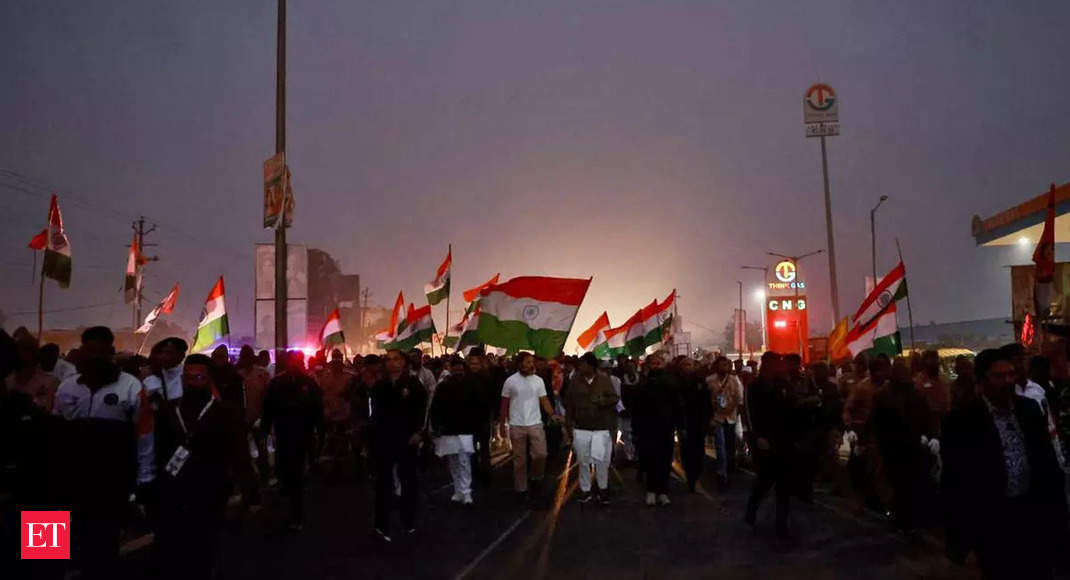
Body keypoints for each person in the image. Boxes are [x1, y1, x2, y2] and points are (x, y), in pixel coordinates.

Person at [942, 349, 1068, 579]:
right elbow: (955, 483)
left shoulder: (1028, 410)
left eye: (1010, 374)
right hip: (994, 523)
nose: (1007, 381)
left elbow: (1048, 465)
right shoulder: (963, 421)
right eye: (998, 376)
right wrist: (961, 541)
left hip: (1033, 515)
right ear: (982, 381)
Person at [52, 326, 154, 578]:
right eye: (89, 352)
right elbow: (54, 432)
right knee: (46, 550)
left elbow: (145, 436)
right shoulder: (66, 387)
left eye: (100, 352)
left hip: (108, 482)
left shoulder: (131, 387)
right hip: (60, 478)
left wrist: (145, 478)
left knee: (101, 551)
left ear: (111, 352)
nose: (94, 358)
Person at [152, 354, 260, 579]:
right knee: (174, 543)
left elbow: (239, 453)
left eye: (199, 377)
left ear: (210, 380)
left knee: (204, 541)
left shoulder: (225, 413)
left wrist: (249, 488)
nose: (193, 383)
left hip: (211, 486)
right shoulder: (170, 411)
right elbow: (159, 449)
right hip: (175, 487)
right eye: (188, 378)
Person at [870, 358, 934, 534]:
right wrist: (882, 448)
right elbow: (878, 425)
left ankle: (915, 520)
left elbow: (926, 417)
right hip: (894, 449)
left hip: (916, 447)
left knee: (916, 485)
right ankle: (903, 521)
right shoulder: (883, 395)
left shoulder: (917, 392)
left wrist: (930, 436)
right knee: (900, 487)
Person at [262, 350, 324, 531]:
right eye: (293, 361)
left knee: (296, 473)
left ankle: (296, 513)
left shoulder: (309, 383)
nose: (295, 365)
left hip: (302, 434)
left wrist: (320, 432)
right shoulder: (277, 383)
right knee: (284, 470)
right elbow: (268, 408)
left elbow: (317, 409)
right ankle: (286, 499)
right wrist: (265, 429)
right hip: (283, 433)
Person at [370, 349, 427, 542]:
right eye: (388, 360)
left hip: (407, 439)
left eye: (396, 359)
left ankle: (408, 521)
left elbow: (421, 411)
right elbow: (374, 415)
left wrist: (419, 432)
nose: (392, 363)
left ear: (404, 362)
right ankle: (382, 525)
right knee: (383, 484)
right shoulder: (379, 387)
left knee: (409, 481)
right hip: (384, 440)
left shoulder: (414, 385)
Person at [744, 352, 796, 538]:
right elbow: (750, 414)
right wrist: (757, 437)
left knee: (784, 486)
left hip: (783, 442)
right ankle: (751, 510)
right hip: (764, 442)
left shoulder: (784, 385)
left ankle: (782, 524)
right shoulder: (755, 387)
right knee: (764, 482)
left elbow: (792, 410)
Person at [501, 352, 561, 502]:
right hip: (516, 425)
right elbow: (504, 405)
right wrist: (503, 424)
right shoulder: (510, 381)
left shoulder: (538, 381)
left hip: (535, 424)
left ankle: (536, 478)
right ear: (520, 364)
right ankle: (521, 489)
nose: (531, 365)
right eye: (528, 362)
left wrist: (552, 414)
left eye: (532, 362)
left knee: (541, 454)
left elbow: (544, 400)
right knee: (519, 461)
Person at [563, 353, 619, 505]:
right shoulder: (575, 381)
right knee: (583, 461)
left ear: (591, 366)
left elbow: (614, 398)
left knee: (602, 461)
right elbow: (569, 404)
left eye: (583, 364)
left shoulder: (604, 379)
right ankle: (585, 491)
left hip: (601, 428)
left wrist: (602, 401)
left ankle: (603, 490)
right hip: (581, 428)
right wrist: (568, 425)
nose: (580, 367)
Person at [633, 353, 682, 506]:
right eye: (653, 364)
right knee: (649, 460)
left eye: (658, 363)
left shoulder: (670, 381)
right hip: (647, 428)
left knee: (665, 461)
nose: (655, 366)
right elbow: (637, 406)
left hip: (665, 428)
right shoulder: (643, 382)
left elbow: (677, 404)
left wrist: (678, 425)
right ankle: (651, 491)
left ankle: (663, 492)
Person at [429, 357, 479, 505]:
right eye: (455, 368)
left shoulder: (471, 385)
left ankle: (466, 491)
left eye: (460, 369)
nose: (458, 371)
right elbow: (436, 408)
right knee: (453, 461)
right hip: (449, 429)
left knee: (464, 461)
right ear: (450, 369)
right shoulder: (443, 386)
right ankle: (458, 490)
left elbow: (477, 406)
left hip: (465, 429)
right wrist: (437, 426)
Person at [236, 345, 272, 481]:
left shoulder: (262, 374)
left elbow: (268, 396)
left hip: (259, 417)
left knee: (262, 449)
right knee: (242, 450)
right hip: (242, 418)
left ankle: (264, 475)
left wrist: (265, 416)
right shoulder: (238, 375)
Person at [318, 348, 353, 480]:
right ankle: (331, 471)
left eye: (339, 360)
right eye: (335, 361)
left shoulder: (350, 377)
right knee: (330, 445)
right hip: (329, 416)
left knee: (342, 445)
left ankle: (340, 471)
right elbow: (321, 395)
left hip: (344, 416)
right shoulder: (324, 377)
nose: (337, 364)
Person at [708, 356, 744, 487]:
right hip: (717, 418)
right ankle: (721, 473)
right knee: (720, 446)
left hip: (731, 417)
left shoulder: (735, 381)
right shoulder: (710, 381)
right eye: (721, 365)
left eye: (725, 365)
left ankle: (729, 468)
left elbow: (739, 399)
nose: (723, 367)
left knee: (730, 445)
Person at [677, 357, 711, 493]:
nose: (687, 367)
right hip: (685, 424)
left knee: (699, 452)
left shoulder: (700, 382)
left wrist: (707, 420)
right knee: (686, 452)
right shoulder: (677, 383)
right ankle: (691, 478)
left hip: (699, 424)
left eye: (689, 364)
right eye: (684, 365)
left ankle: (696, 476)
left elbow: (706, 403)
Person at [465, 349, 497, 487]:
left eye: (477, 364)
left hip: (483, 419)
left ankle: (486, 476)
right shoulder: (464, 379)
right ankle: (473, 474)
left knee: (484, 449)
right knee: (470, 450)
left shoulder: (488, 378)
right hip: (468, 420)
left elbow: (493, 397)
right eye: (472, 364)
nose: (474, 366)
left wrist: (494, 416)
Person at [6, 332, 59, 412]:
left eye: (27, 350)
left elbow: (52, 410)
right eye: (19, 350)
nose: (22, 354)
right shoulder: (7, 380)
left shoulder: (50, 382)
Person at [914, 350, 951, 436]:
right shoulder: (919, 381)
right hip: (927, 425)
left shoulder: (943, 379)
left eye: (936, 359)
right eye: (931, 359)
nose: (935, 362)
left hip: (945, 421)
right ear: (924, 363)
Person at [143, 337, 188, 405]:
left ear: (181, 356)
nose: (163, 356)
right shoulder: (149, 379)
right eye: (162, 352)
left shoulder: (187, 378)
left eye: (169, 353)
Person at [616, 357, 640, 463]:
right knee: (627, 434)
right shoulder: (621, 379)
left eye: (632, 366)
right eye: (628, 366)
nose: (630, 368)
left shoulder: (641, 378)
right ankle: (629, 455)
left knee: (637, 434)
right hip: (625, 410)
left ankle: (637, 454)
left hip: (638, 411)